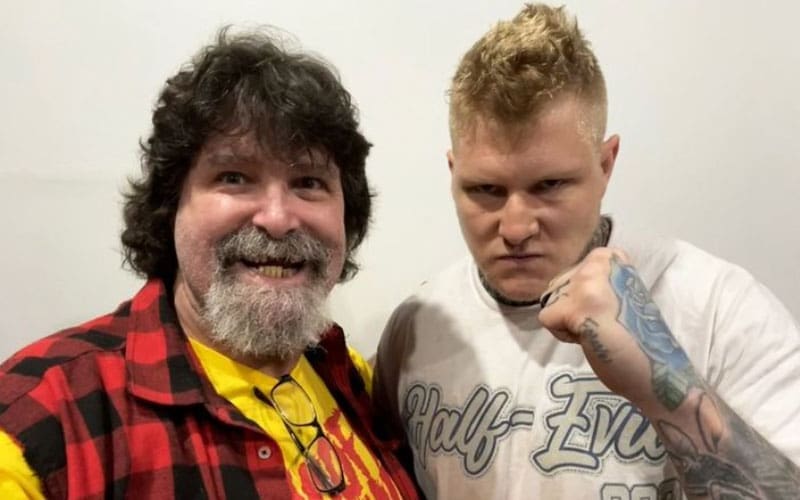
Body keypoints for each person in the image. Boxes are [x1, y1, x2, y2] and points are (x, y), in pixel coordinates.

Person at [374, 4, 800, 499]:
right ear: (453, 173)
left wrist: (667, 383)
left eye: (550, 185)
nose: (515, 228)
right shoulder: (417, 328)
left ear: (605, 164)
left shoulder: (715, 307)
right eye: (485, 190)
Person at [0, 28, 419, 499]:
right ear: (170, 204)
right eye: (234, 177)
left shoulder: (352, 377)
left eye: (308, 182)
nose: (278, 219)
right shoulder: (41, 421)